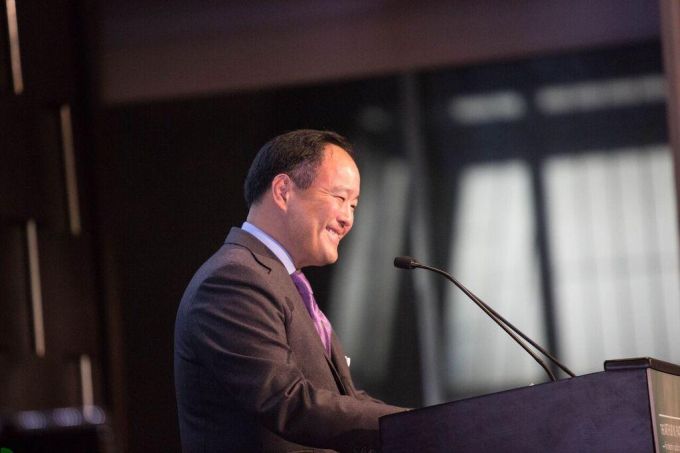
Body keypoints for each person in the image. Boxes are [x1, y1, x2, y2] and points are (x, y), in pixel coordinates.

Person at [174, 130, 407, 452]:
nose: (348, 219)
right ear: (284, 191)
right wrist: (417, 428)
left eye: (354, 205)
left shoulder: (279, 279)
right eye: (340, 198)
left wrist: (419, 424)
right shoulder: (232, 280)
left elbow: (344, 400)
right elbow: (288, 401)